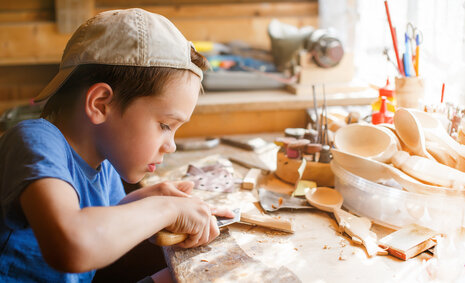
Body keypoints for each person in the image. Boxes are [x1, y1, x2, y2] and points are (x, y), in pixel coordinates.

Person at [0, 8, 233, 282]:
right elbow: (73, 245)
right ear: (100, 104)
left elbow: (102, 221)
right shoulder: (34, 141)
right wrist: (166, 209)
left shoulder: (103, 161)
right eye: (165, 125)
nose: (171, 146)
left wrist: (149, 198)